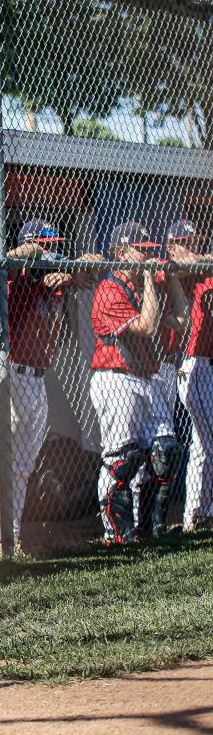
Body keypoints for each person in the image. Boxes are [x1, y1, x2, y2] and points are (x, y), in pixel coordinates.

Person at [0, 220, 100, 560]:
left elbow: (97, 262)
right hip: (10, 373)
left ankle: (10, 540)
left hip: (38, 379)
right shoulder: (16, 278)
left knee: (24, 467)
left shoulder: (57, 284)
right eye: (46, 247)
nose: (52, 254)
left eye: (56, 247)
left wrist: (70, 271)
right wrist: (28, 254)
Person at [89, 221, 185, 544]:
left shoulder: (138, 286)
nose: (146, 257)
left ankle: (149, 524)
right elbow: (146, 326)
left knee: (164, 451)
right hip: (114, 379)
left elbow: (181, 320)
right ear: (119, 253)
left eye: (147, 251)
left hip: (144, 377)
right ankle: (115, 530)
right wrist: (148, 277)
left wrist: (168, 277)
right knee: (121, 458)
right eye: (138, 251)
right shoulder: (110, 290)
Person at [166, 226, 213, 531]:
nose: (186, 248)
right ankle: (200, 510)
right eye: (180, 242)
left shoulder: (204, 266)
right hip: (192, 364)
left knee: (202, 442)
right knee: (206, 440)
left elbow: (199, 259)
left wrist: (199, 257)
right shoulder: (176, 270)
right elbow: (181, 266)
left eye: (190, 241)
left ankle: (196, 512)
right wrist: (190, 259)